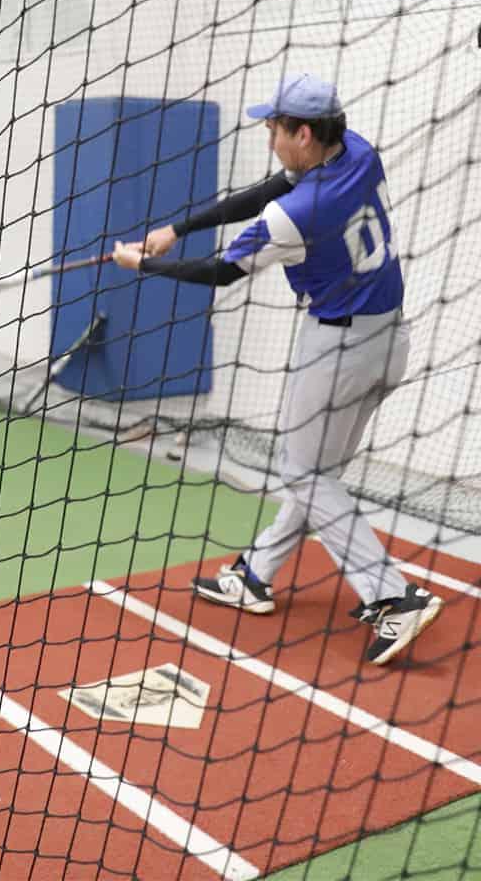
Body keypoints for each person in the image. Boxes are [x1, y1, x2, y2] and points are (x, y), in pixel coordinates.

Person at [111, 73, 442, 666]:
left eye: (276, 126)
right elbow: (268, 188)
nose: (268, 133)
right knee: (319, 472)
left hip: (338, 347)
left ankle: (393, 596)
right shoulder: (358, 152)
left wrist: (143, 266)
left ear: (305, 133)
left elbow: (221, 275)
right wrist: (176, 230)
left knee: (303, 471)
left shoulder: (300, 215)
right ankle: (258, 573)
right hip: (390, 338)